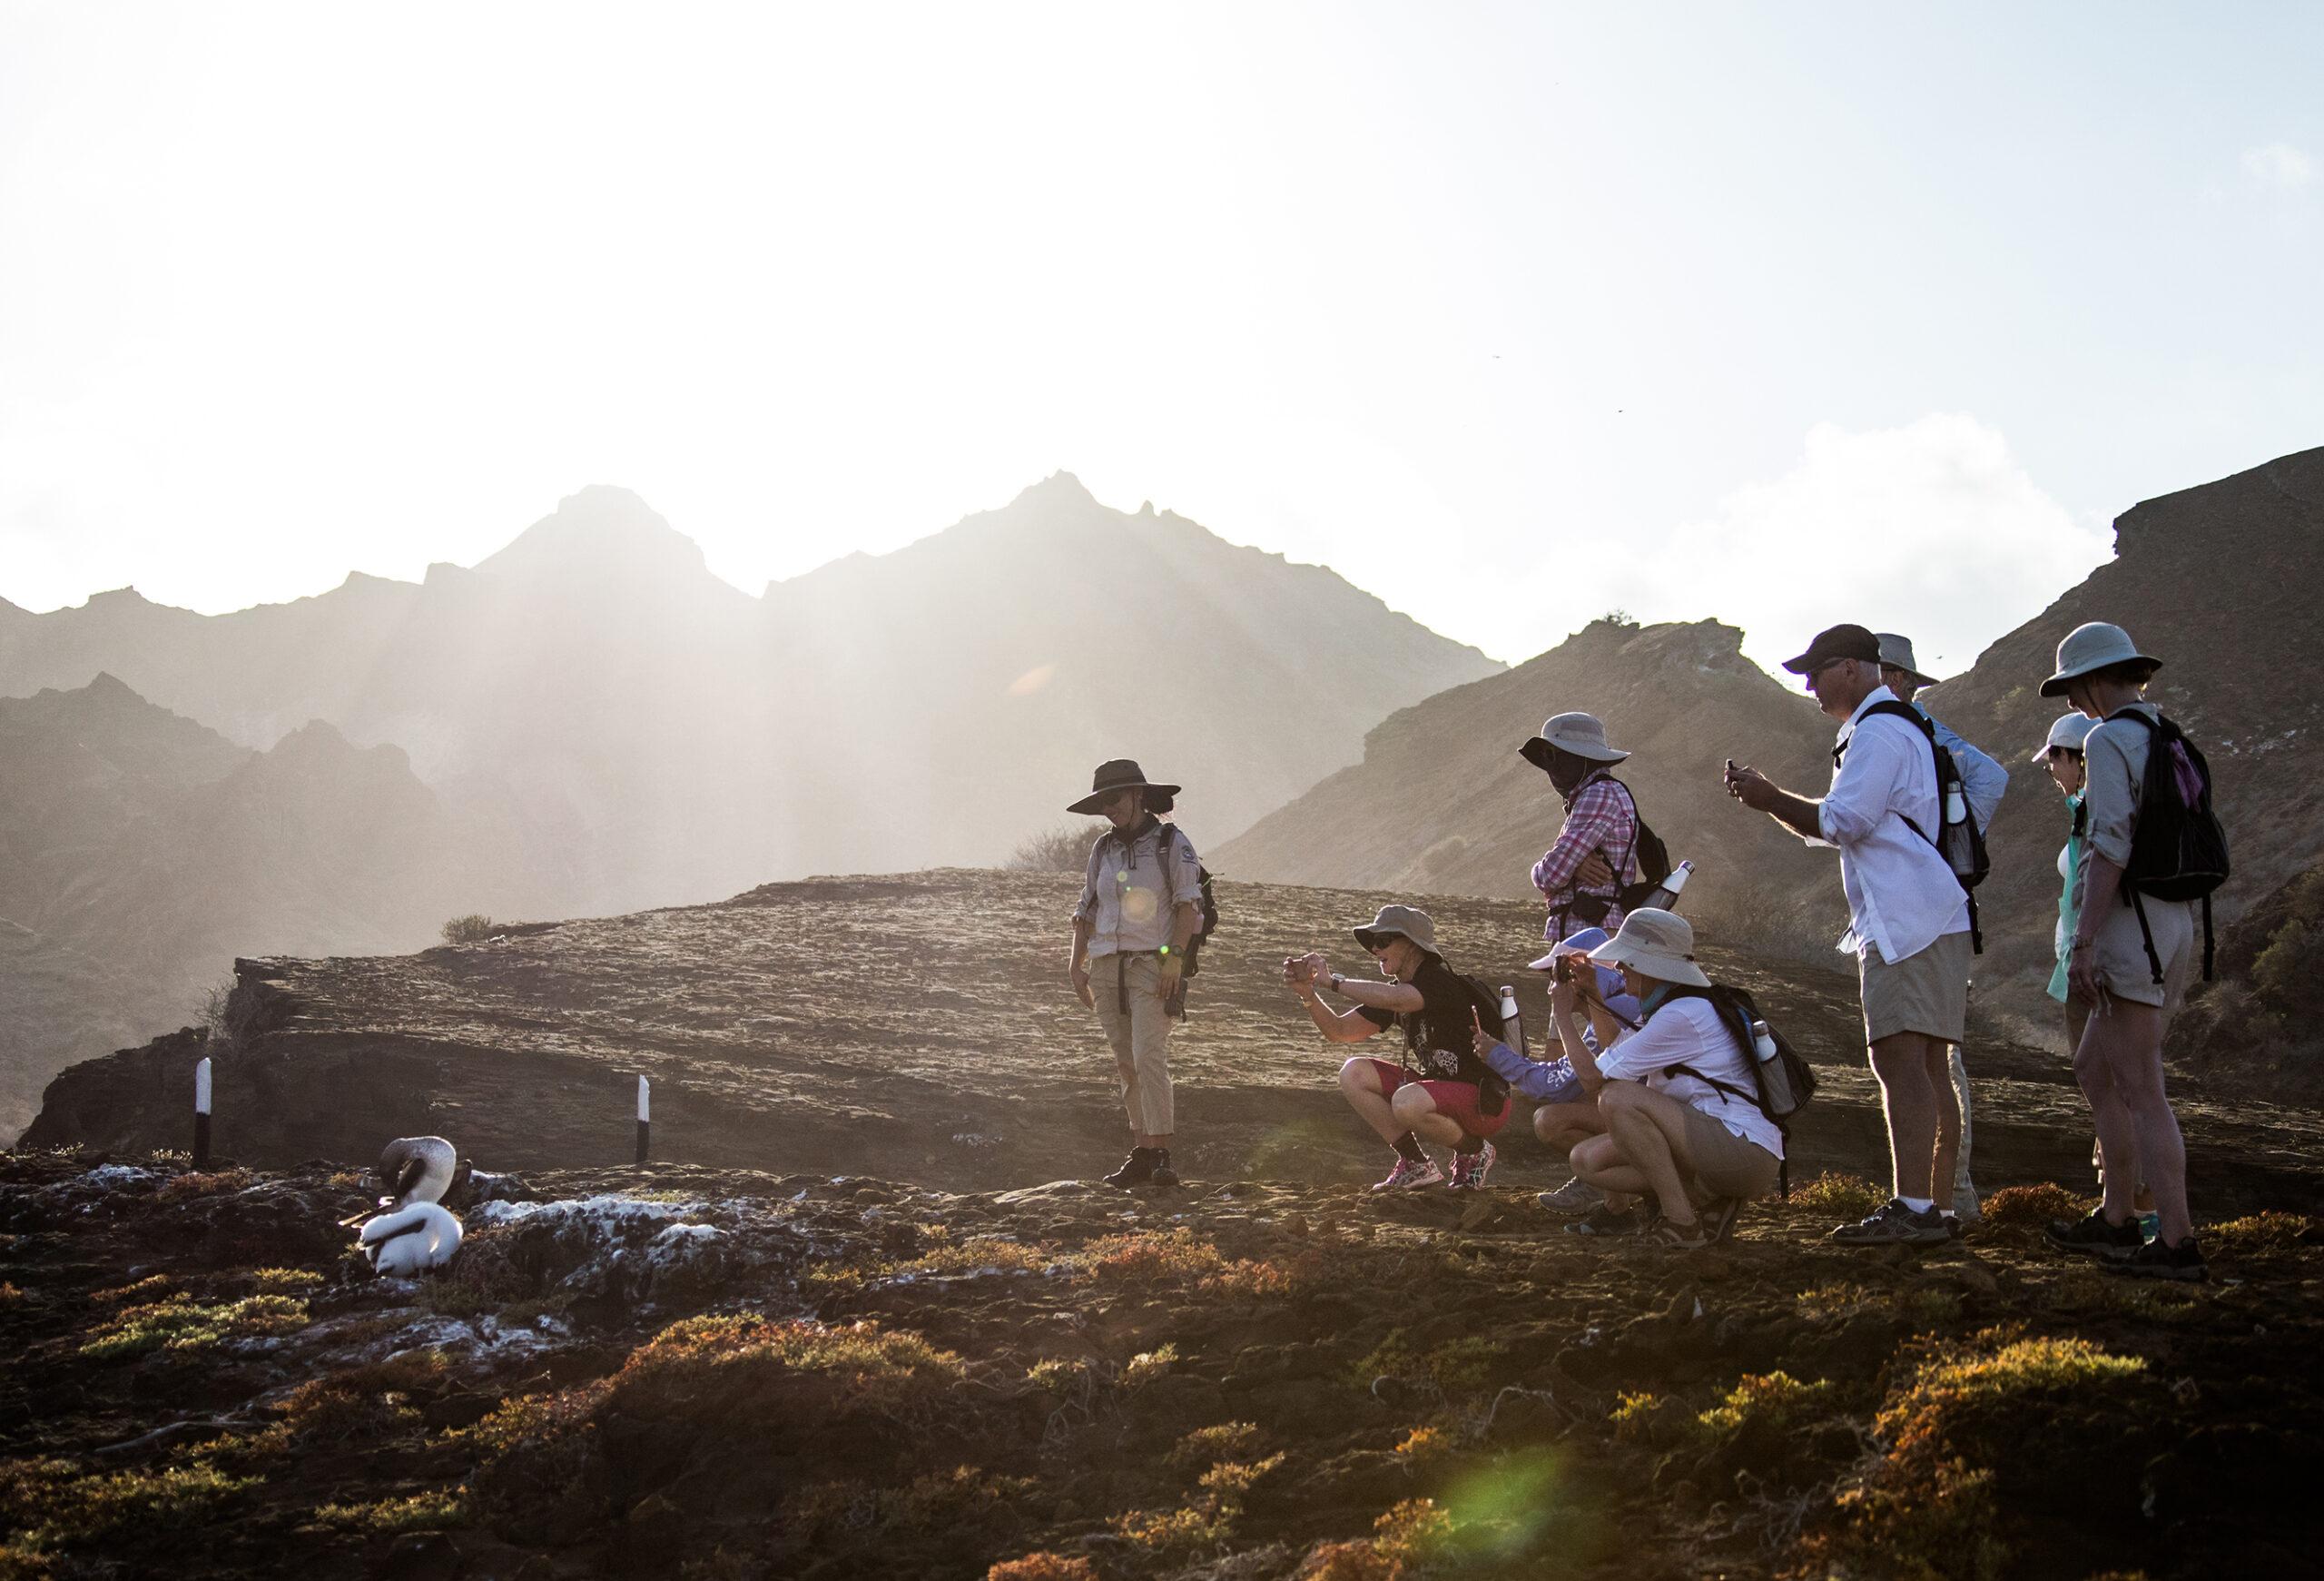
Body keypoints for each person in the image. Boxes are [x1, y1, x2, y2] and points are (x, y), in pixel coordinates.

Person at [1724, 623, 1970, 1248]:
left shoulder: (1878, 729)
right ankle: (1935, 1207)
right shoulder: (1894, 727)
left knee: (1897, 1058)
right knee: (1930, 1063)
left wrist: (1766, 795)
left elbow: (1842, 820)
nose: (1807, 683)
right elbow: (1838, 824)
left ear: (1857, 668)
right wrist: (1774, 801)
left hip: (1906, 920)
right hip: (1933, 913)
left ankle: (1915, 1207)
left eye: (1818, 669)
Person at [2035, 624, 2205, 1280]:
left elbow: (2110, 845)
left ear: (2091, 681)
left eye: (2073, 689)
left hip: (2131, 931)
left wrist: (2083, 941)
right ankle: (2115, 1217)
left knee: (2142, 1089)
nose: (2073, 704)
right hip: (2172, 923)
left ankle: (2177, 1241)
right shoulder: (2167, 733)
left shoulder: (2109, 739)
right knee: (2093, 1067)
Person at [1521, 908, 1784, 1249]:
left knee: (1617, 1098)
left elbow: (1593, 1079)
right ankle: (1711, 1201)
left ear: (1650, 966)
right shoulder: (1677, 1009)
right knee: (1587, 1160)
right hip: (1723, 1146)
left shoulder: (1682, 1015)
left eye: (1626, 960)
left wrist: (1561, 1014)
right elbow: (1615, 1051)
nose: (1617, 968)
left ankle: (1681, 1222)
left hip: (1741, 1149)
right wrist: (1594, 996)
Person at [1877, 632, 2008, 1229]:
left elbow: (1992, 776)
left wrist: (1946, 850)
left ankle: (1946, 1200)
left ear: (1897, 679)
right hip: (1936, 905)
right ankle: (1951, 1200)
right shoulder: (1908, 732)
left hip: (1926, 909)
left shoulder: (1914, 727)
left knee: (1930, 1063)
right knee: (1936, 1060)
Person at [2035, 710, 2160, 1241]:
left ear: (2073, 758)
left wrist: (2082, 950)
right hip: (2078, 965)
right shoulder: (2080, 809)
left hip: (2092, 967)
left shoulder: (2093, 808)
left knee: (2118, 1086)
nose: (2051, 773)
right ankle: (2126, 1204)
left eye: (2054, 762)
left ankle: (2134, 1210)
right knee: (2113, 1087)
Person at [1286, 904, 1509, 1191]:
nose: (1375, 949)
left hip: (1482, 1101)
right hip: (1434, 1093)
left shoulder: (1439, 981)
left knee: (1406, 1101)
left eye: (1384, 941)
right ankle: (1415, 1163)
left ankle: (1474, 1151)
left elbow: (1397, 999)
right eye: (1372, 943)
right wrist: (1308, 995)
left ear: (1413, 945)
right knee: (1354, 1073)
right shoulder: (1396, 993)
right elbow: (1339, 1031)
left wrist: (1333, 982)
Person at [1068, 759, 1203, 1190]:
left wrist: (1174, 960)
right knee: (1126, 1063)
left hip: (1152, 966)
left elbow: (1188, 905)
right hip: (1106, 967)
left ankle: (1161, 1152)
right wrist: (1076, 963)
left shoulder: (1171, 843)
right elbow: (1087, 907)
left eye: (1115, 798)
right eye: (1103, 801)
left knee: (1149, 1056)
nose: (1109, 808)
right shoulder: (1102, 850)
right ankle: (1142, 1151)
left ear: (1138, 795)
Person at [1507, 928, 1646, 1227]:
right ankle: (1613, 1198)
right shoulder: (1618, 1003)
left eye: (1558, 976)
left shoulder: (1618, 1008)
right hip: (1659, 1116)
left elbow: (1570, 1081)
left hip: (1657, 1125)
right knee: (1584, 1099)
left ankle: (1606, 1186)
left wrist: (1500, 1059)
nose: (1552, 986)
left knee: (1551, 1119)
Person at [1520, 713, 1641, 946]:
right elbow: (1561, 868)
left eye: (1556, 757)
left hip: (1587, 935)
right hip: (1590, 932)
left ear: (1581, 758)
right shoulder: (1602, 792)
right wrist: (1573, 867)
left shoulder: (1598, 795)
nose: (1552, 770)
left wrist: (1559, 869)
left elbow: (1550, 875)